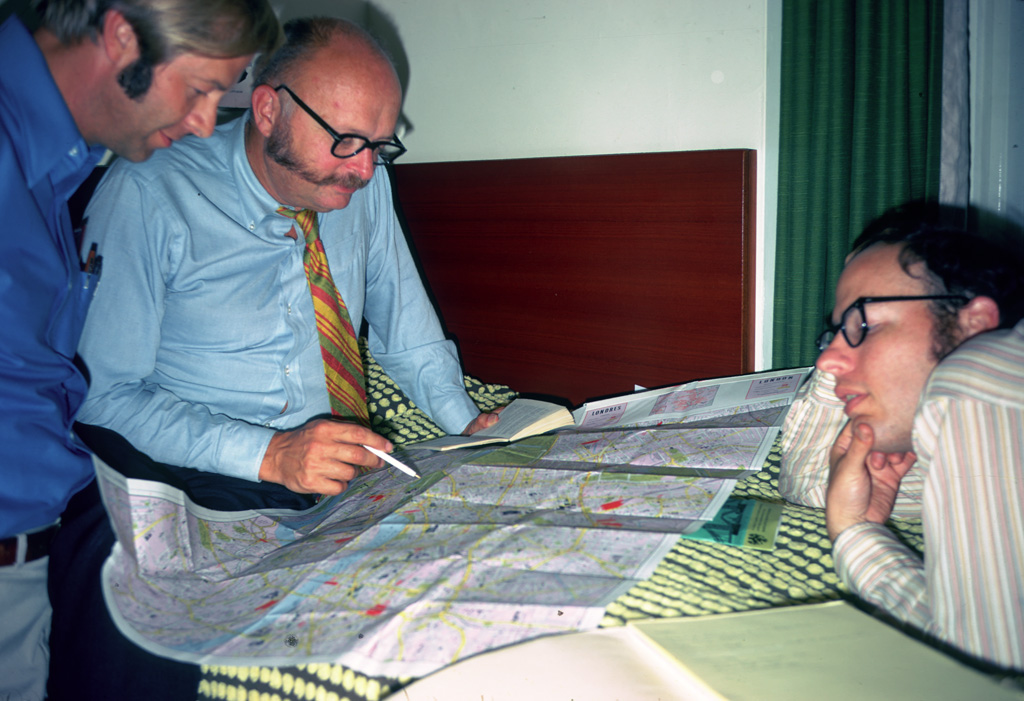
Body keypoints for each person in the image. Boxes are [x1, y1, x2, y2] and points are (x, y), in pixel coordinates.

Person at [0, 1, 278, 699]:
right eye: (200, 89)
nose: (205, 123)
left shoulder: (60, 167)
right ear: (123, 37)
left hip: (38, 551)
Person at [778, 204, 1024, 671]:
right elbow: (812, 488)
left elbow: (982, 668)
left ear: (974, 322)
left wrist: (854, 535)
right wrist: (857, 528)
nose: (826, 366)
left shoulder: (978, 380)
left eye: (863, 324)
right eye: (834, 332)